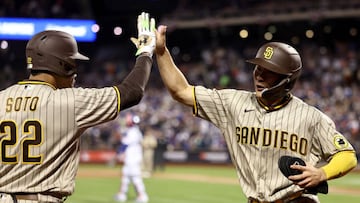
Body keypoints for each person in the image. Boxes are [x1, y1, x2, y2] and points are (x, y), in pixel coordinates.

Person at [154, 24, 358, 203]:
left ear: (286, 79)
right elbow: (180, 91)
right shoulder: (232, 103)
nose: (259, 75)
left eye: (268, 70)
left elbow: (347, 155)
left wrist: (322, 173)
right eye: (257, 68)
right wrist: (161, 51)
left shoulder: (310, 117)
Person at [0, 12, 155, 203]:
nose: (75, 72)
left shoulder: (1, 98)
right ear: (61, 65)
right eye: (73, 63)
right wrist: (146, 52)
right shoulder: (69, 102)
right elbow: (132, 92)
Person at [114, 113, 149, 203]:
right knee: (126, 176)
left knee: (135, 177)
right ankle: (122, 194)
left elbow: (125, 144)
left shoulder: (132, 131)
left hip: (132, 158)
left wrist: (119, 153)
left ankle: (142, 196)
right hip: (132, 157)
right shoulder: (135, 131)